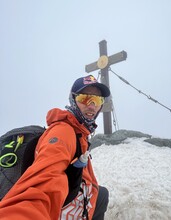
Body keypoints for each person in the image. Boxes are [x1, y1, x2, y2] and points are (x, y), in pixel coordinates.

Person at [0, 75, 110, 220]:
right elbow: (43, 185)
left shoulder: (80, 133)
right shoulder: (63, 132)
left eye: (97, 100)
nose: (91, 105)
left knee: (102, 195)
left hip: (79, 204)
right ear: (73, 100)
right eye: (84, 98)